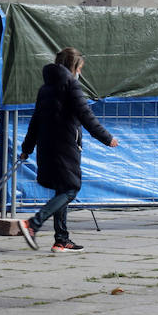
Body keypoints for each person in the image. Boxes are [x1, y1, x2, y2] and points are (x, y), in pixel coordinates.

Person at [18, 47, 119, 252]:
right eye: (80, 68)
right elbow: (86, 116)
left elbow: (35, 121)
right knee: (72, 189)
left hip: (47, 146)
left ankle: (61, 240)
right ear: (74, 67)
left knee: (63, 189)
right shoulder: (71, 86)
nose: (80, 72)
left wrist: (27, 148)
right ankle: (33, 224)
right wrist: (107, 138)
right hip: (65, 147)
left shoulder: (45, 89)